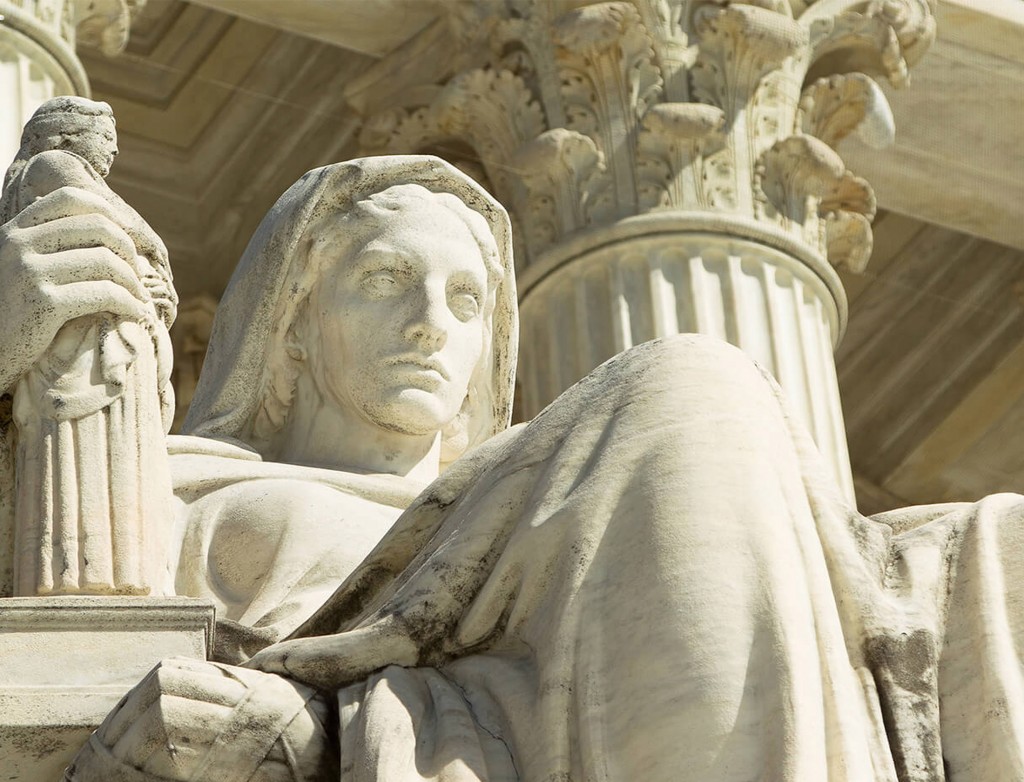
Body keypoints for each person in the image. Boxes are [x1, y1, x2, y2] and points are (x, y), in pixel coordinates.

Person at [0, 156, 1019, 781]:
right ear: (292, 323)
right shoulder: (183, 488)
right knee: (689, 384)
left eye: (465, 300)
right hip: (460, 712)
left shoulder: (552, 500)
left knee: (994, 546)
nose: (429, 325)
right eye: (385, 278)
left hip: (565, 704)